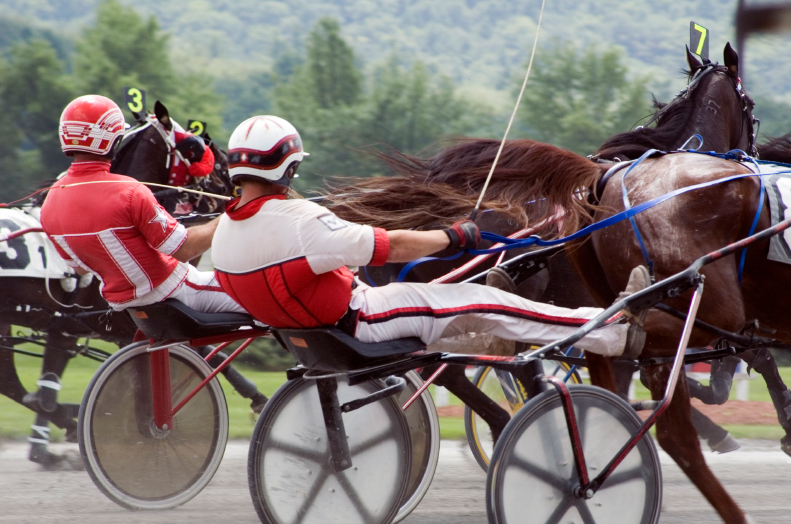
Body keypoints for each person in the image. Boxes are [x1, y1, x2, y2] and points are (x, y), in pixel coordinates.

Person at [210, 115, 651, 358]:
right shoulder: (301, 220)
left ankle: (483, 338)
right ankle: (607, 331)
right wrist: (456, 236)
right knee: (487, 301)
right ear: (290, 168)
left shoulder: (225, 233)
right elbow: (391, 246)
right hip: (360, 323)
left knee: (453, 305)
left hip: (314, 328)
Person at [40, 94, 243, 314]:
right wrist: (229, 216)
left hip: (124, 303)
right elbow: (184, 249)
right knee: (263, 296)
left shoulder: (49, 202)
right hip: (174, 290)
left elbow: (79, 267)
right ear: (115, 141)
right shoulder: (130, 192)